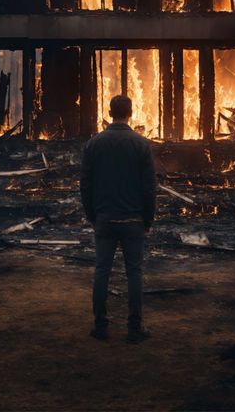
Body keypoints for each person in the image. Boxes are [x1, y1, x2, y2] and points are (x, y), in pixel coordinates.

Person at [80, 94, 156, 343]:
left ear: (110, 113)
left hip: (104, 218)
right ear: (130, 113)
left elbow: (86, 185)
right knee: (134, 273)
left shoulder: (94, 144)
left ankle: (100, 326)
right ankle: (134, 328)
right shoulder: (141, 145)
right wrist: (148, 220)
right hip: (133, 220)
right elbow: (149, 188)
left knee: (101, 271)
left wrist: (92, 215)